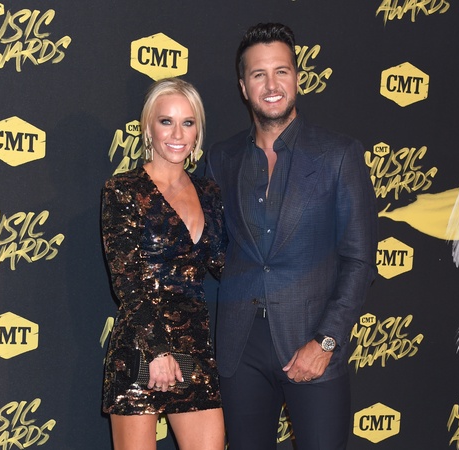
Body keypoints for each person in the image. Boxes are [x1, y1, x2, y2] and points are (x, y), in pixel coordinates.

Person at [206, 23, 378, 450]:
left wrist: (325, 341)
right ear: (243, 87)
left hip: (312, 342)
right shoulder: (222, 158)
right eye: (258, 74)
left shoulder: (339, 155)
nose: (271, 85)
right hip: (240, 349)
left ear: (297, 78)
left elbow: (359, 260)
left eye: (281, 71)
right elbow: (211, 249)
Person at [101, 77, 227, 450]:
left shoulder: (209, 192)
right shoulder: (123, 189)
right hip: (142, 347)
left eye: (188, 122)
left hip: (194, 348)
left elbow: (225, 265)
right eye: (166, 121)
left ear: (198, 131)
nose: (177, 134)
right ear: (148, 128)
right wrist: (157, 351)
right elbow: (127, 281)